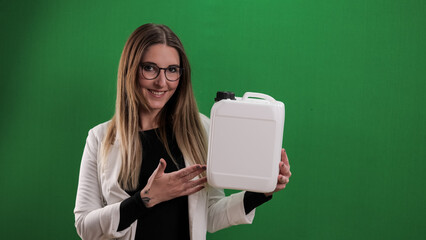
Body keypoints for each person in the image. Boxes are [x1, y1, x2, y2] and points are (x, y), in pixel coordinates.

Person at [74, 23, 291, 240]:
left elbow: (210, 214)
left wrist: (261, 192)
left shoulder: (200, 129)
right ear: (130, 69)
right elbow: (85, 226)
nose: (161, 82)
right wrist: (145, 199)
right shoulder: (100, 138)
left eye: (172, 70)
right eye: (150, 68)